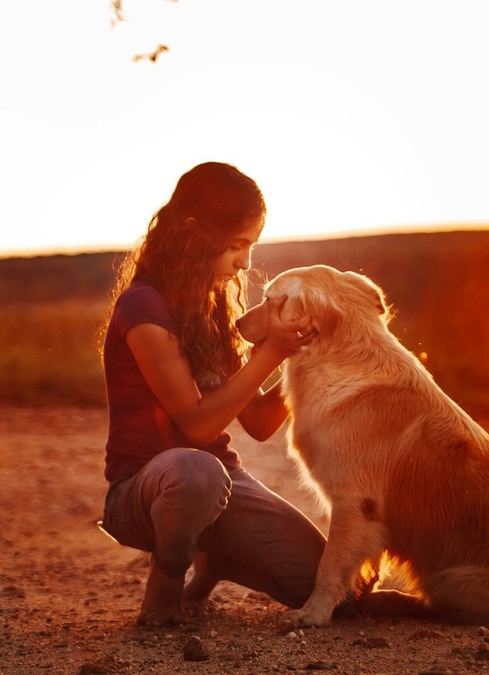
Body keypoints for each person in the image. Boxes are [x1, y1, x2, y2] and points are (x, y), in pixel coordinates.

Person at [97, 161, 324, 626]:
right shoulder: (143, 307)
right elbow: (198, 424)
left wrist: (306, 351)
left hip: (219, 487)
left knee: (321, 586)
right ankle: (164, 588)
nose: (245, 262)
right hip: (147, 489)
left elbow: (259, 422)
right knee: (196, 469)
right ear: (194, 233)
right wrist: (272, 352)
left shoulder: (212, 308)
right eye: (238, 245)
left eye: (251, 247)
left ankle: (214, 559)